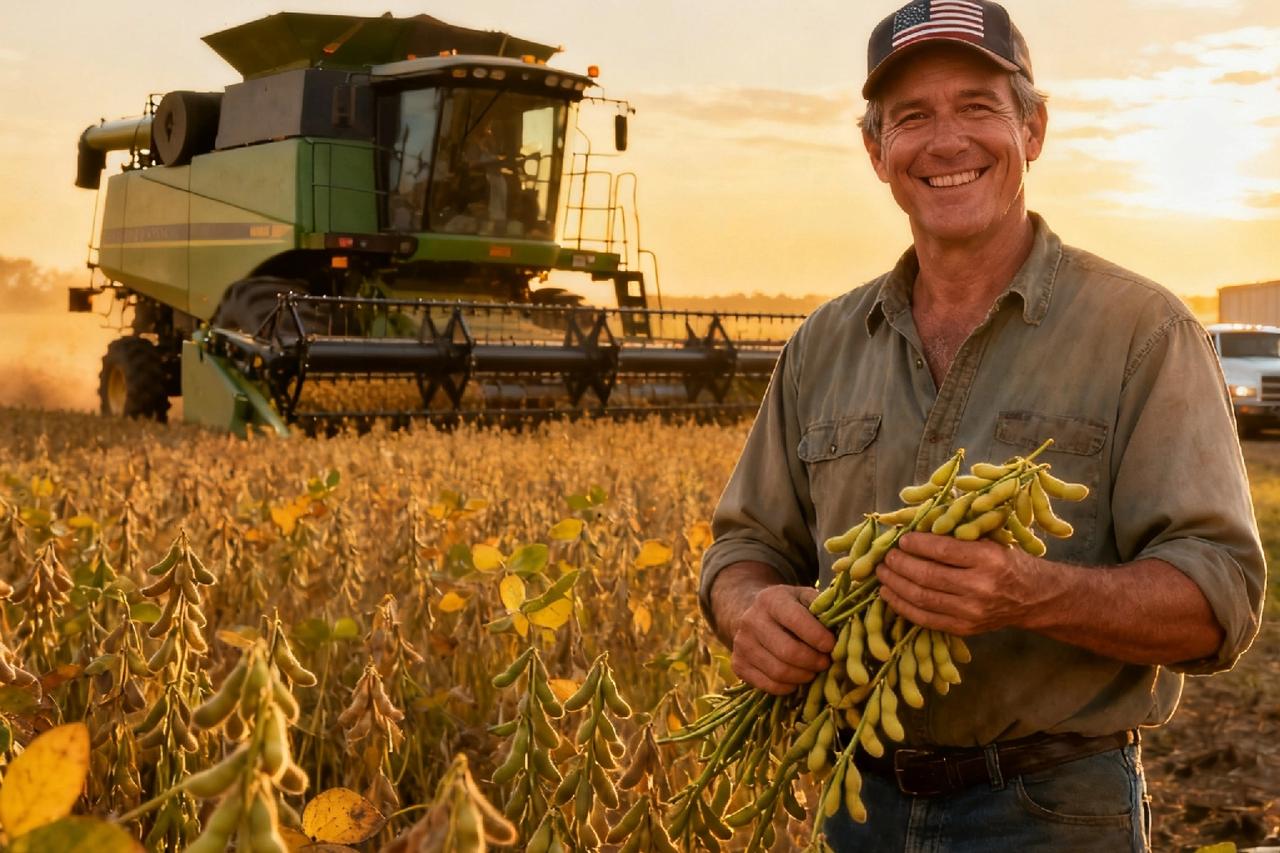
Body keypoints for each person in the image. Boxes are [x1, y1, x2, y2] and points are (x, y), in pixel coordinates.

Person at [698, 1, 1266, 850]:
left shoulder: (1143, 332)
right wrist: (748, 609)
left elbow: (1220, 598)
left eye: (977, 107)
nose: (946, 141)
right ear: (876, 152)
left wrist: (1029, 592)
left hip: (1053, 811)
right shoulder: (823, 344)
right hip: (858, 803)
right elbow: (744, 546)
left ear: (1032, 131)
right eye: (912, 117)